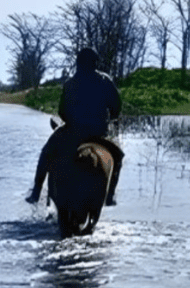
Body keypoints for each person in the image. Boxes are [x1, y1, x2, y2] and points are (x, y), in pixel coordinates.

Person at [25, 47, 124, 206]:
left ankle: (36, 192)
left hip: (73, 133)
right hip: (99, 133)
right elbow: (116, 107)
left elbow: (62, 112)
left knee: (46, 152)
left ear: (78, 63)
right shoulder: (105, 81)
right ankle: (110, 196)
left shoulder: (70, 83)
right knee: (118, 157)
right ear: (95, 63)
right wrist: (110, 119)